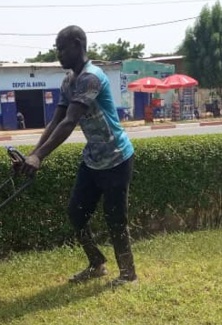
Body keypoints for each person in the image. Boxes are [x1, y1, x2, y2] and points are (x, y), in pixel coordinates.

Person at [19, 25, 138, 286]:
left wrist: (39, 157)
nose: (58, 53)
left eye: (62, 48)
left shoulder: (91, 77)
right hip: (93, 159)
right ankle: (97, 263)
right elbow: (55, 122)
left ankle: (129, 275)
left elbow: (70, 122)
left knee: (115, 218)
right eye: (57, 48)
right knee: (76, 213)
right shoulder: (68, 81)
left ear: (77, 44)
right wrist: (34, 154)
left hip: (117, 158)